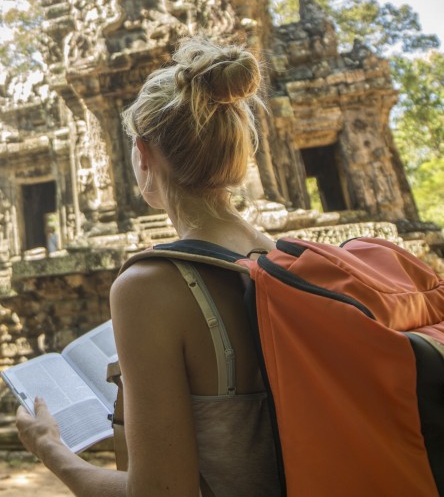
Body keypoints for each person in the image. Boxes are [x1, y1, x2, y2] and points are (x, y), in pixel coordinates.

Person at [16, 34, 280, 496]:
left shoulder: (149, 287)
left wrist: (51, 449)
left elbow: (159, 494)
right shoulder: (286, 255)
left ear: (142, 156)